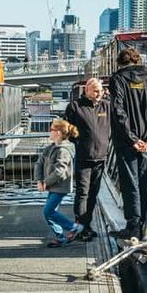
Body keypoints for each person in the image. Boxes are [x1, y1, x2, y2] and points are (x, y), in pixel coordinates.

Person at [108, 47, 147, 240]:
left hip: (126, 142)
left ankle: (132, 225)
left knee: (129, 182)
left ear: (120, 63)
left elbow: (118, 112)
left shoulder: (118, 80)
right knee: (143, 181)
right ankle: (143, 224)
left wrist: (132, 139)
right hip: (146, 143)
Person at [63, 78, 110, 241]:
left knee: (93, 194)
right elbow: (66, 129)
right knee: (82, 193)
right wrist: (78, 142)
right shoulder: (75, 107)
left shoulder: (106, 106)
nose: (99, 94)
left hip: (101, 158)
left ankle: (87, 225)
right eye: (96, 90)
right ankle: (79, 226)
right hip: (83, 157)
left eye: (101, 91)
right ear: (87, 90)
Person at [35, 119, 83, 247]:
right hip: (52, 186)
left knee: (48, 211)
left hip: (60, 187)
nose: (49, 132)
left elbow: (60, 171)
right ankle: (60, 237)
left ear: (59, 133)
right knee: (49, 213)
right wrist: (39, 180)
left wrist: (45, 182)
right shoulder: (51, 148)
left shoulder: (64, 150)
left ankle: (73, 227)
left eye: (51, 129)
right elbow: (39, 163)